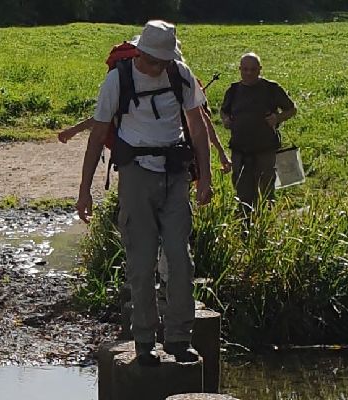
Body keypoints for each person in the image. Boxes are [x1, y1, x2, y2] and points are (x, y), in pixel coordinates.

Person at [74, 20, 217, 366]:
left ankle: (180, 338)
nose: (159, 67)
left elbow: (197, 127)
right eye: (155, 61)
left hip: (175, 175)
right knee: (140, 264)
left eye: (164, 61)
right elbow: (97, 136)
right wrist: (84, 191)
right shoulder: (117, 81)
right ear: (140, 52)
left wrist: (206, 176)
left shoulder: (180, 74)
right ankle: (144, 342)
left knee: (179, 260)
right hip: (136, 176)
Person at [219, 53, 297, 214]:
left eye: (253, 69)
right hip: (240, 152)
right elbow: (223, 111)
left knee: (267, 193)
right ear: (240, 69)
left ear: (260, 69)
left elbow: (291, 109)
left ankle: (265, 225)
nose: (249, 73)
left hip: (266, 150)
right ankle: (245, 225)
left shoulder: (271, 88)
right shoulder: (233, 90)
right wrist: (226, 120)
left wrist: (277, 118)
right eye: (245, 69)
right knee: (243, 193)